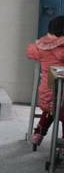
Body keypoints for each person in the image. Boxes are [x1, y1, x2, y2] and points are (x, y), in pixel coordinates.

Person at [26, 15, 64, 146]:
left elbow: (30, 51)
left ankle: (38, 134)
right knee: (60, 109)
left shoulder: (42, 46)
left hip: (47, 92)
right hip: (61, 93)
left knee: (51, 110)